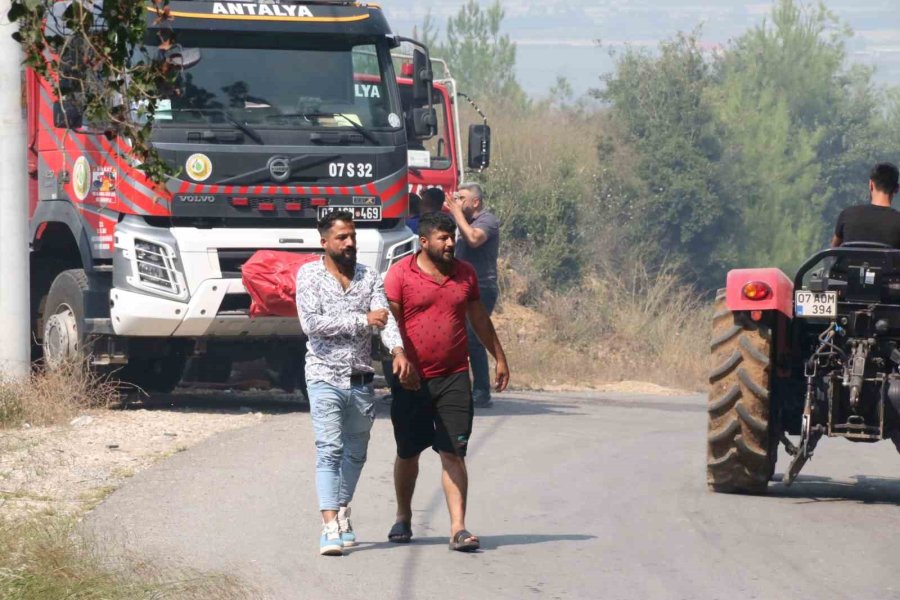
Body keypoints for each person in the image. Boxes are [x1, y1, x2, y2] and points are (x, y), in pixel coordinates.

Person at [384, 211, 510, 552]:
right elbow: (390, 323)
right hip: (411, 379)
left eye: (452, 236)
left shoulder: (464, 275)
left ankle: (458, 527)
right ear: (424, 242)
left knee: (453, 452)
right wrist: (399, 357)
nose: (451, 242)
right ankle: (403, 516)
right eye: (443, 238)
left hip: (454, 376)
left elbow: (479, 318)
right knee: (408, 452)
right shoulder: (400, 275)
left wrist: (499, 356)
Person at [296, 210, 412, 556]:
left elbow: (385, 318)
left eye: (352, 237)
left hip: (362, 379)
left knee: (356, 453)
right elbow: (312, 324)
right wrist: (362, 320)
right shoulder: (309, 276)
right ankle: (329, 524)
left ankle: (343, 510)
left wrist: (398, 348)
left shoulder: (368, 276)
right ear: (324, 242)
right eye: (342, 238)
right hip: (323, 375)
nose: (349, 243)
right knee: (329, 449)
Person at [445, 182, 502, 408]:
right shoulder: (462, 221)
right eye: (456, 198)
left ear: (475, 202)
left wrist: (457, 215)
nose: (457, 202)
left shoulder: (487, 221)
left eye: (462, 198)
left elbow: (474, 239)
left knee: (473, 336)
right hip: (459, 286)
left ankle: (481, 391)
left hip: (482, 287)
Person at [832, 162, 900, 248]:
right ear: (897, 189)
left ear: (871, 185)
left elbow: (834, 251)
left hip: (852, 262)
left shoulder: (848, 215)